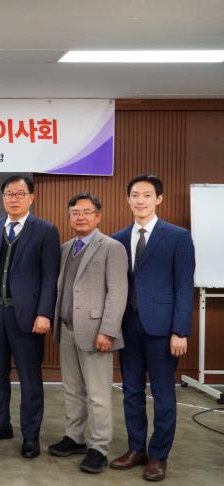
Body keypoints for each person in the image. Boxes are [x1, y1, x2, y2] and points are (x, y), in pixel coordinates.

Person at [110, 174, 195, 481]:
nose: (140, 200)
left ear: (159, 199)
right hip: (128, 326)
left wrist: (180, 331)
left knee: (163, 394)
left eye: (147, 195)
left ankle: (158, 455)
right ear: (128, 199)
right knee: (131, 391)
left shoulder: (177, 237)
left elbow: (184, 286)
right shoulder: (118, 239)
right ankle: (137, 449)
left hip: (163, 329)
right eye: (135, 195)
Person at [0, 175, 60, 458]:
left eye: (20, 194)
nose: (14, 199)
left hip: (27, 316)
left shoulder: (46, 231)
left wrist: (44, 313)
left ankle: (31, 436)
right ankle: (0, 426)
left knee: (29, 379)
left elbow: (50, 276)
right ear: (2, 198)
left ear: (31, 198)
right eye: (9, 194)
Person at [48, 193, 128, 474]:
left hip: (96, 333)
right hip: (67, 329)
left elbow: (118, 293)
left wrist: (108, 331)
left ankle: (99, 448)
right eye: (75, 212)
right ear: (69, 217)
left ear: (98, 216)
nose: (80, 217)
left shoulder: (112, 247)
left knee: (98, 395)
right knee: (72, 389)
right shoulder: (66, 248)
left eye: (86, 212)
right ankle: (75, 437)